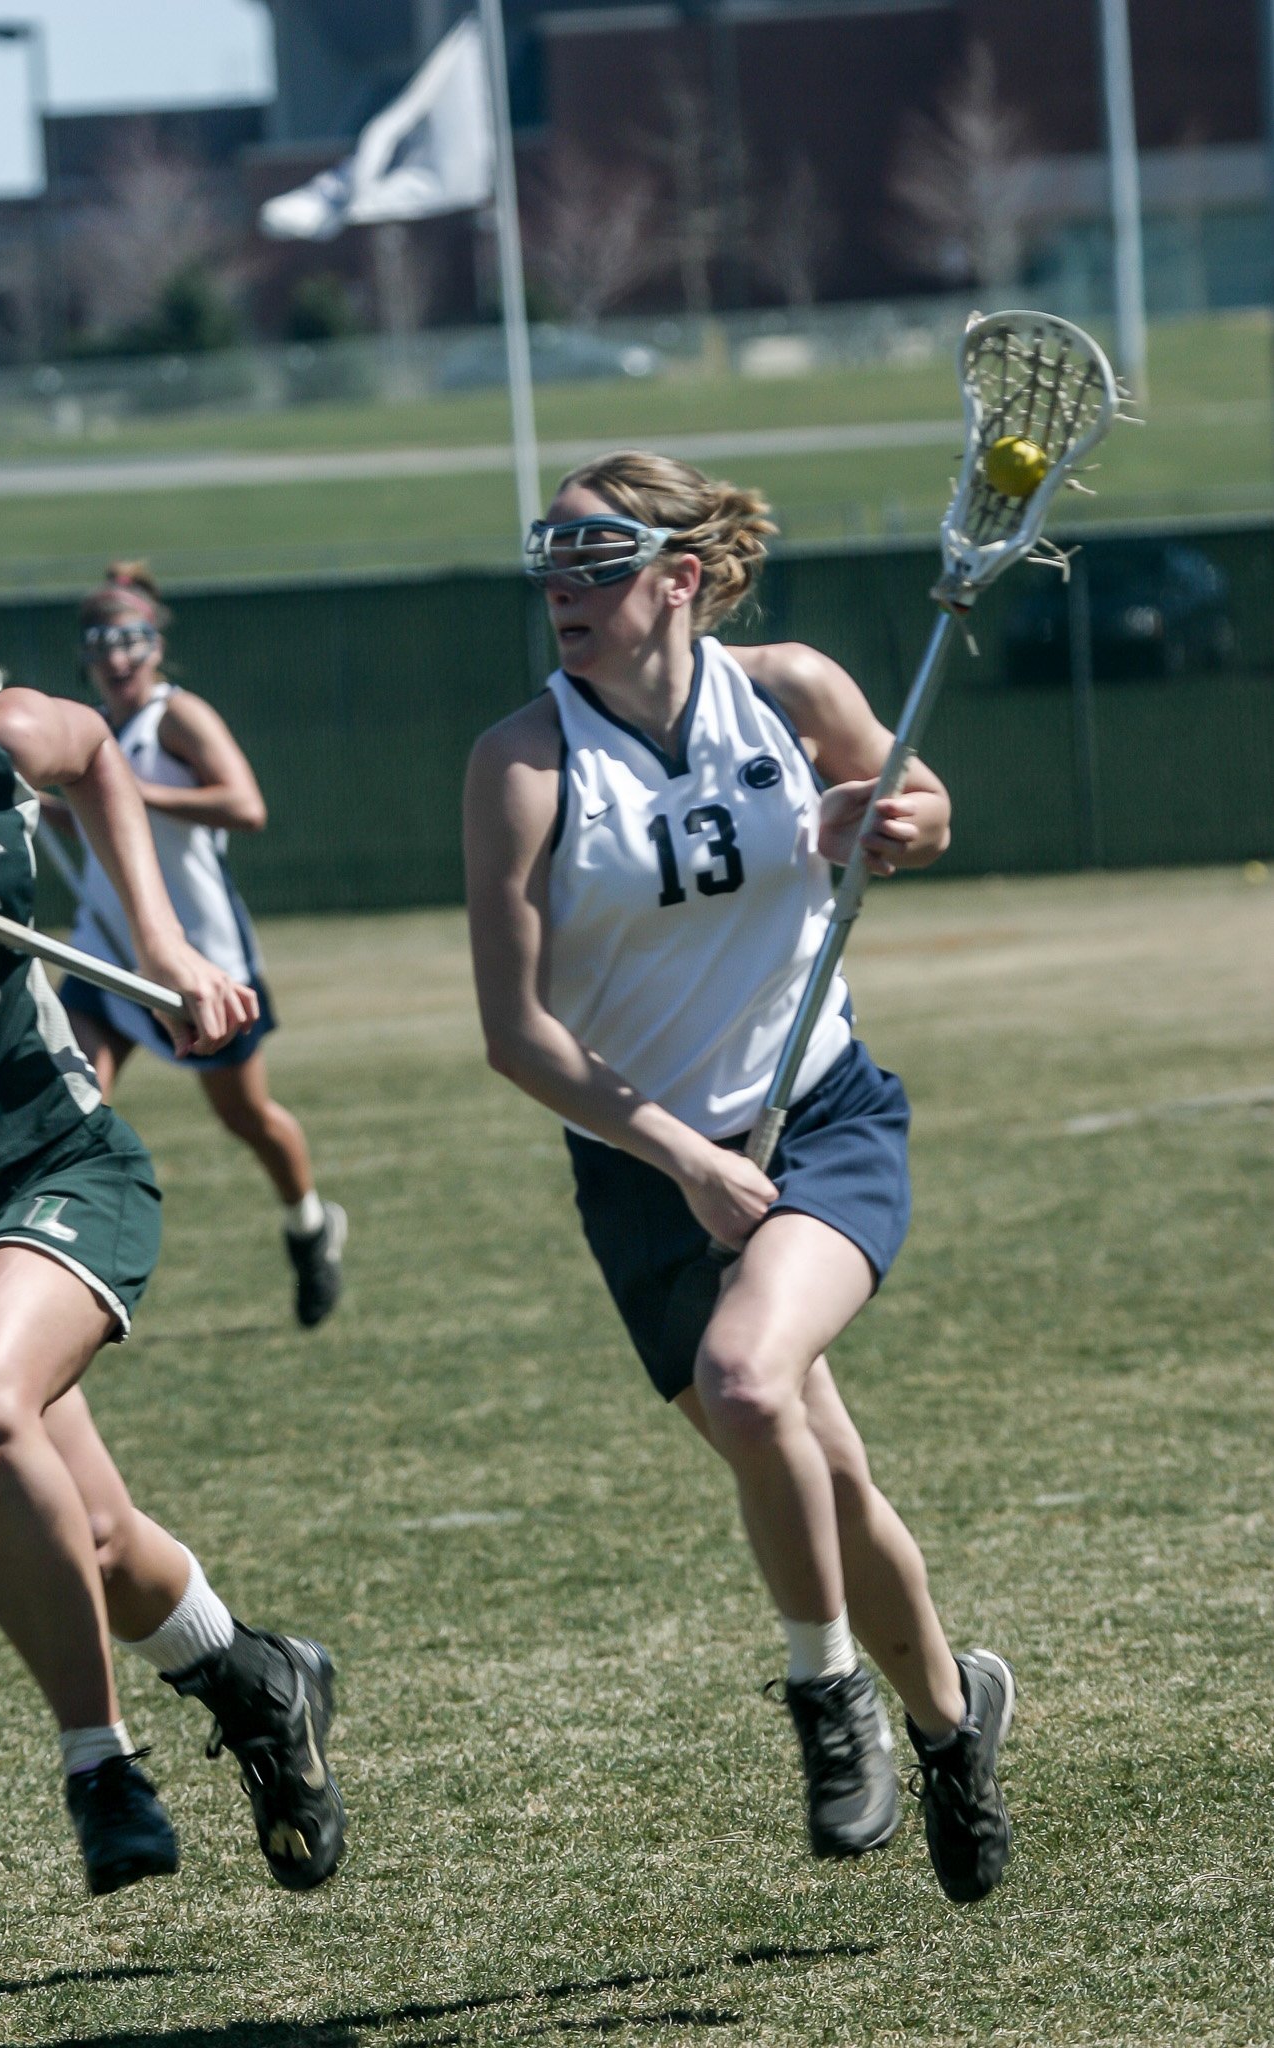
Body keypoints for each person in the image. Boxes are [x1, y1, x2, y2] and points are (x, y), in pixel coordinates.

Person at [463, 453, 1014, 1904]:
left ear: (679, 578)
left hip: (819, 1118)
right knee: (823, 1478)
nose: (561, 591)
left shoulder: (787, 692)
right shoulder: (522, 765)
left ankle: (826, 1696)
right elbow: (515, 1035)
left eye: (594, 560)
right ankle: (954, 1723)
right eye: (551, 563)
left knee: (753, 1382)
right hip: (649, 1175)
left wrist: (895, 824)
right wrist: (687, 1158)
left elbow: (925, 802)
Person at [0, 679, 345, 1896]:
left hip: (48, 1166)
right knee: (91, 1536)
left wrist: (160, 944)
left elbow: (96, 749)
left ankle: (100, 1764)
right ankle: (257, 1677)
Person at [54, 562, 345, 1329]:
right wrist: (42, 809)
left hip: (199, 958)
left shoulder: (175, 717)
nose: (117, 657)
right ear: (85, 653)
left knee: (246, 1119)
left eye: (131, 640)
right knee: (72, 1103)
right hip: (103, 953)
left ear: (154, 643)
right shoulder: (90, 727)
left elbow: (244, 806)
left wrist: (121, 788)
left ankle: (310, 1225)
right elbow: (94, 829)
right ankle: (56, 1277)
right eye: (101, 643)